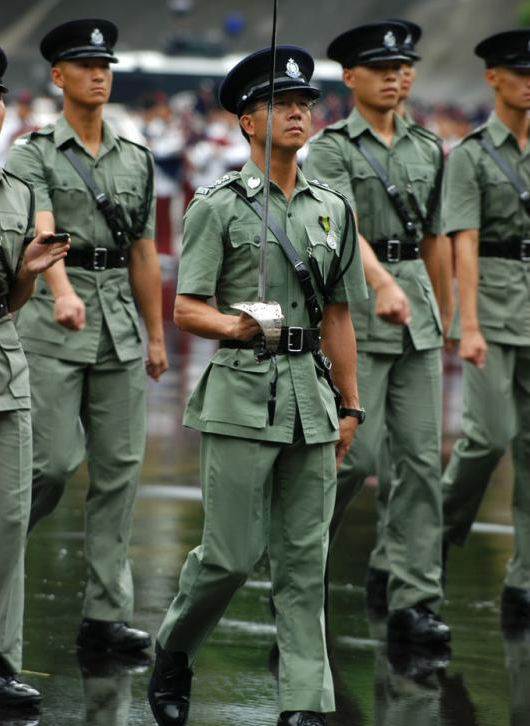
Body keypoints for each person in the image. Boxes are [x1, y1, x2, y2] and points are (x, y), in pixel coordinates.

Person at [148, 45, 367, 726]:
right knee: (230, 556)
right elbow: (186, 307)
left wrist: (352, 402)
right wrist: (237, 327)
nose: (299, 114)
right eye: (281, 105)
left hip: (312, 401)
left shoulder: (333, 207)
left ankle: (305, 706)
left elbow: (338, 315)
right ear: (248, 122)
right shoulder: (219, 206)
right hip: (242, 398)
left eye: (305, 104)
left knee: (306, 564)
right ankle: (175, 646)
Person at [5, 19, 168, 654]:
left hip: (121, 329)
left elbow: (145, 252)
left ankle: (105, 616)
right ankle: (1, 567)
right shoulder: (33, 151)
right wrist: (64, 293)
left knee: (120, 473)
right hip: (52, 323)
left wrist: (157, 335)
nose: (99, 73)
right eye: (85, 64)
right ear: (58, 75)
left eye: (106, 64)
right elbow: (38, 229)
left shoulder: (136, 159)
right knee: (46, 464)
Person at [304, 20, 450, 644]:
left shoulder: (427, 145)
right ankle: (301, 577)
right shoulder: (331, 148)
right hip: (359, 314)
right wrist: (384, 285)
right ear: (351, 76)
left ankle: (413, 596)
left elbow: (436, 237)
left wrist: (447, 315)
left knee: (419, 463)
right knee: (351, 459)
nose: (397, 76)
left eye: (403, 67)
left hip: (417, 318)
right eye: (383, 68)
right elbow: (342, 226)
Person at [441, 29, 530, 623]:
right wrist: (466, 323)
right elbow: (464, 245)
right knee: (488, 438)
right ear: (493, 78)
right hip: (492, 314)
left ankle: (524, 581)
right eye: (519, 72)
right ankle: (427, 544)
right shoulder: (473, 155)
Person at [0, 47, 71, 707]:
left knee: (9, 515)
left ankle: (1, 660)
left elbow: (12, 303)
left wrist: (28, 270)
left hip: (4, 368)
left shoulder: (16, 193)